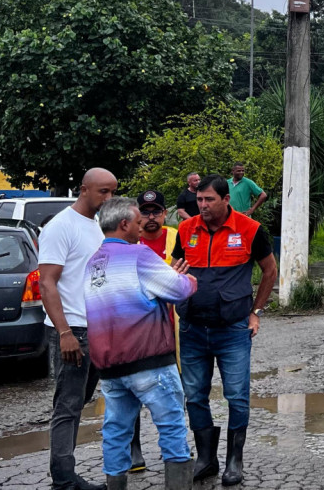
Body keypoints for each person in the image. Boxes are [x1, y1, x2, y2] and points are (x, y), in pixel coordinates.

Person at [84, 197, 197, 490]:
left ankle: (115, 485)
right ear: (124, 224)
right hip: (149, 362)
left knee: (115, 431)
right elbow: (179, 290)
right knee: (171, 427)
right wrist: (184, 278)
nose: (141, 227)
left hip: (110, 367)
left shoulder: (93, 262)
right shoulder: (139, 255)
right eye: (137, 222)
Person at [173, 175, 277, 485]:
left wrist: (256, 312)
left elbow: (270, 270)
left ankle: (235, 460)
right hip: (192, 328)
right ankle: (206, 458)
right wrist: (174, 278)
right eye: (199, 200)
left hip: (233, 330)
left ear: (226, 199)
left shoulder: (250, 229)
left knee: (236, 396)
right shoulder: (186, 230)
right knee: (194, 395)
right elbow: (175, 270)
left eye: (209, 200)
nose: (202, 205)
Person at [39, 168, 117, 490]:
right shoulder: (61, 226)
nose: (109, 198)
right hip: (73, 331)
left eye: (113, 191)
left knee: (77, 402)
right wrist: (64, 333)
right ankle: (63, 480)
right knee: (67, 406)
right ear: (84, 189)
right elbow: (47, 283)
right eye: (103, 191)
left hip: (96, 330)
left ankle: (66, 476)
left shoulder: (97, 226)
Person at [126, 189, 179, 473]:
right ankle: (133, 448)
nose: (150, 218)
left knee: (173, 391)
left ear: (165, 213)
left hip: (172, 330)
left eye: (156, 212)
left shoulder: (177, 239)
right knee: (132, 392)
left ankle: (175, 448)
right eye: (145, 212)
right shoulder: (127, 242)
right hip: (135, 331)